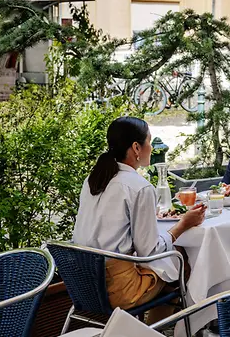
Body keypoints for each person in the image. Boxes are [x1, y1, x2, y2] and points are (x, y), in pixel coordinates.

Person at [73, 117, 205, 316]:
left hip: (83, 285)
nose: (151, 148)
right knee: (183, 263)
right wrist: (184, 224)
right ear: (136, 147)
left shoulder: (93, 179)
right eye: (149, 142)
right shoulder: (139, 187)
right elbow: (149, 251)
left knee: (168, 267)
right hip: (118, 290)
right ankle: (158, 329)